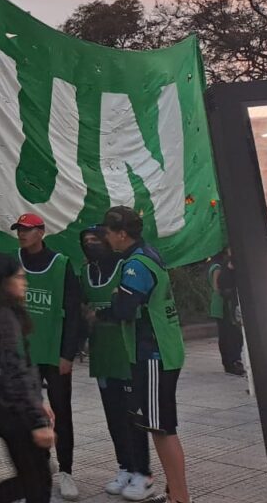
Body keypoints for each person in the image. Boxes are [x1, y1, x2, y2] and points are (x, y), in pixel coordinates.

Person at [95, 206, 190, 503]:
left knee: (162, 428)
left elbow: (124, 309)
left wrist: (112, 301)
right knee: (158, 425)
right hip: (162, 351)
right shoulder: (149, 254)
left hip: (153, 353)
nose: (106, 238)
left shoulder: (136, 265)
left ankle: (180, 496)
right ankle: (174, 491)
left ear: (122, 234)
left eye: (108, 232)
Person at [0, 253, 54, 503]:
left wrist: (38, 403)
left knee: (32, 477)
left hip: (0, 407)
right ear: (4, 282)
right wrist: (37, 419)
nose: (24, 281)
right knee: (36, 480)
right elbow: (15, 370)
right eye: (19, 277)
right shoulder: (5, 317)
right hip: (13, 411)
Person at [80, 227, 152, 500]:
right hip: (103, 355)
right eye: (85, 242)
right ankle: (125, 466)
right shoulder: (86, 273)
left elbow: (132, 306)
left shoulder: (126, 267)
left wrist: (100, 314)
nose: (91, 244)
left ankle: (143, 473)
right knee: (113, 417)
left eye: (96, 240)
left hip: (128, 353)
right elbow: (81, 308)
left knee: (134, 417)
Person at [12, 212, 80, 500]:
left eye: (27, 230)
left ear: (41, 232)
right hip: (24, 353)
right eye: (19, 230)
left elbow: (74, 313)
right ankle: (36, 469)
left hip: (54, 352)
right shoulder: (13, 261)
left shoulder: (61, 264)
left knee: (61, 412)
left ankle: (66, 470)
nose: (22, 234)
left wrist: (68, 354)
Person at [209, 248, 245, 376]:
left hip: (221, 305)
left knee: (225, 334)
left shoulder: (216, 265)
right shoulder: (218, 267)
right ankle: (232, 362)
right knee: (229, 334)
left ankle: (229, 362)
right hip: (223, 305)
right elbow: (216, 287)